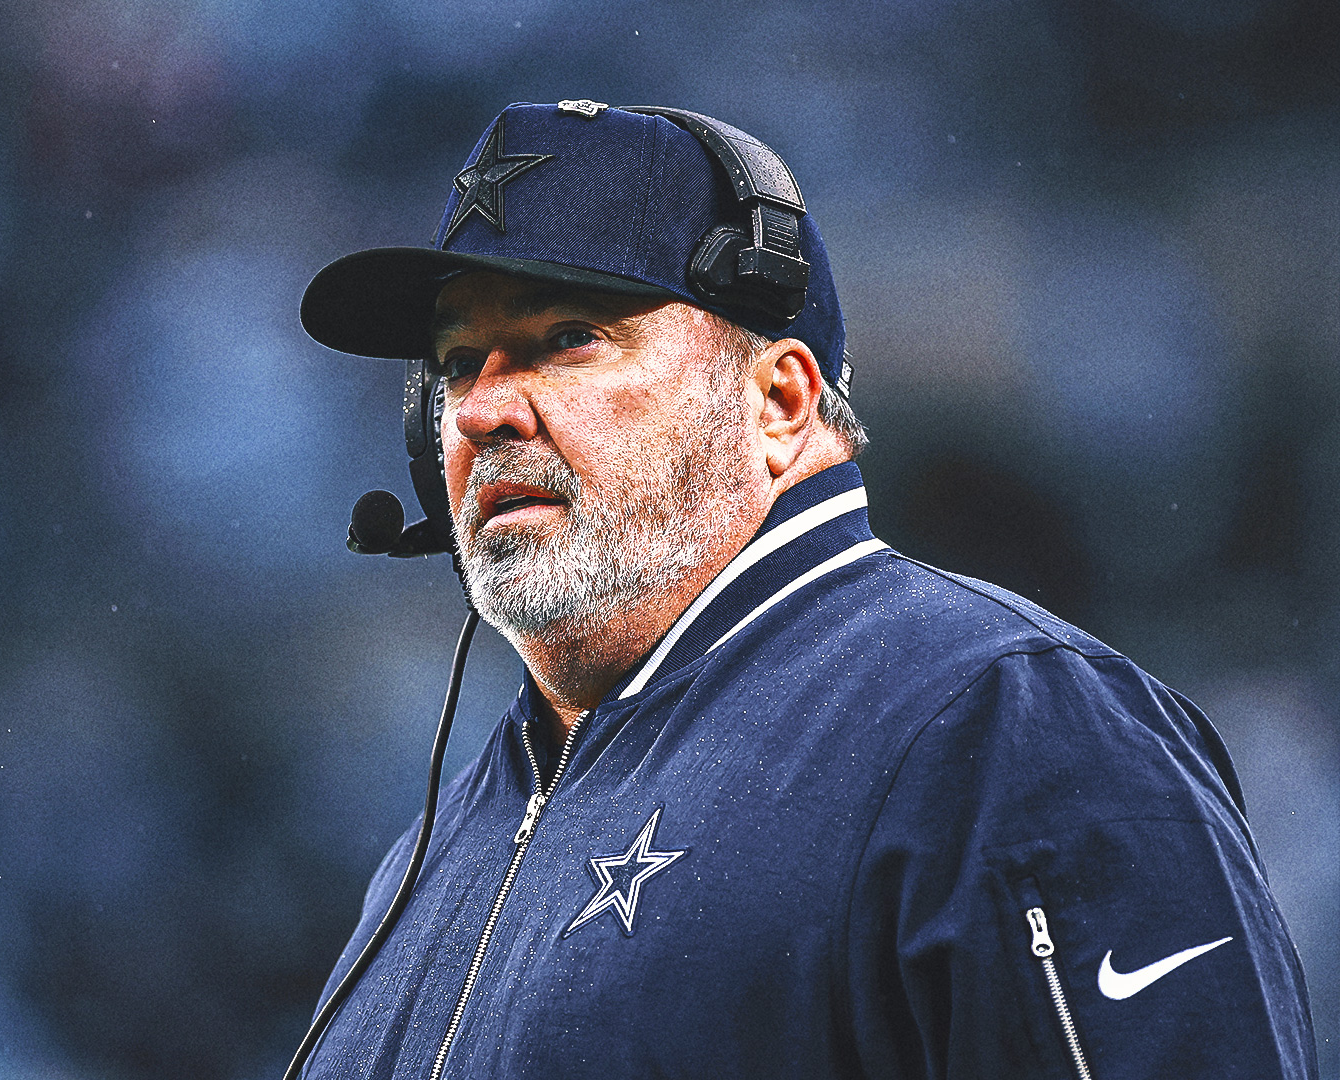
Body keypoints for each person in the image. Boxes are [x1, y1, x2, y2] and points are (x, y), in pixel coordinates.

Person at [290, 101, 1318, 1079]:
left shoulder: (1004, 725)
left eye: (568, 338)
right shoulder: (429, 854)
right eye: (456, 363)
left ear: (779, 400)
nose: (481, 412)